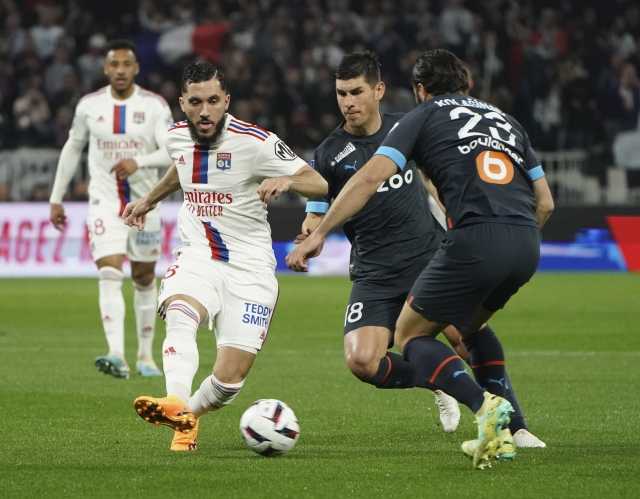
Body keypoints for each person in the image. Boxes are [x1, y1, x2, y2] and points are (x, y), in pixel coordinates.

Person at [287, 49, 554, 469]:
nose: (347, 102)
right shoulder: (330, 151)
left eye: (356, 92)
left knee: (461, 335)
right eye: (340, 94)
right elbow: (322, 199)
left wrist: (455, 221)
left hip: (428, 257)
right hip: (375, 272)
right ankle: (442, 384)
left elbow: (414, 178)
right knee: (362, 360)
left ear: (380, 90)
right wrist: (312, 228)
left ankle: (514, 423)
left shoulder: (409, 123)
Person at [123, 62, 327, 451]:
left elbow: (318, 181)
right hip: (198, 253)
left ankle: (187, 418)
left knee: (228, 382)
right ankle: (176, 399)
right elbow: (180, 169)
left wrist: (286, 179)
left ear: (226, 101)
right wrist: (148, 200)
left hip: (250, 267)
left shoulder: (256, 142)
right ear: (182, 103)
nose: (205, 111)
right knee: (182, 312)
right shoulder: (176, 138)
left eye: (213, 101)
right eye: (195, 102)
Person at [49, 39, 174, 379]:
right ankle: (116, 353)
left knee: (145, 276)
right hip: (104, 204)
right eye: (114, 64)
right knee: (109, 271)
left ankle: (146, 356)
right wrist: (56, 197)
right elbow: (72, 149)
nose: (120, 70)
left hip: (147, 204)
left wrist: (140, 160)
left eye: (126, 64)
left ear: (136, 68)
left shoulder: (154, 106)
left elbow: (172, 152)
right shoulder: (89, 106)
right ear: (105, 69)